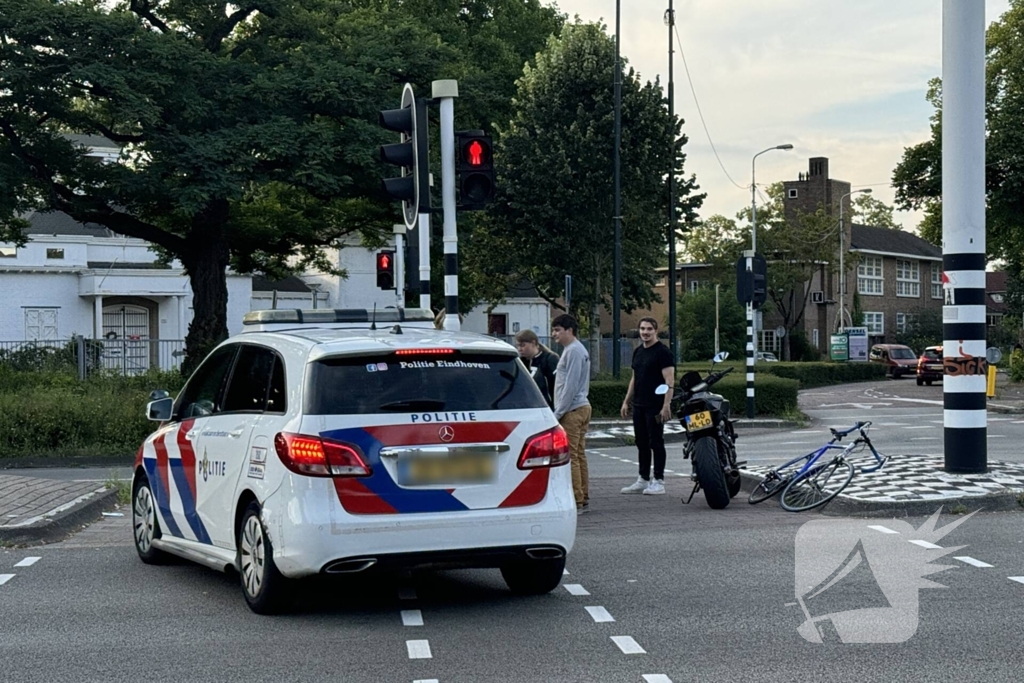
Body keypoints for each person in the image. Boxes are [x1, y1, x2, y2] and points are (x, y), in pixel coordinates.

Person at [619, 317, 675, 495]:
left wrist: (666, 404)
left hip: (656, 406)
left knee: (656, 442)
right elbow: (635, 378)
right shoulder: (638, 352)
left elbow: (669, 380)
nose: (645, 332)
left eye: (649, 329)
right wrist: (626, 401)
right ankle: (643, 479)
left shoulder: (663, 352)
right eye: (642, 329)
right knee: (641, 442)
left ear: (655, 331)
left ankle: (659, 481)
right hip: (639, 405)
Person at [551, 314, 592, 513]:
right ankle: (583, 495)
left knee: (572, 456)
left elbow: (570, 386)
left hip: (572, 409)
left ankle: (577, 500)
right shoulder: (575, 350)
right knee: (579, 454)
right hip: (581, 406)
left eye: (558, 330)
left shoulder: (573, 351)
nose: (554, 335)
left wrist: (558, 413)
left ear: (569, 330)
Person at [515, 329, 559, 410]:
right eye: (518, 346)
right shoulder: (521, 362)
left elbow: (557, 385)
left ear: (533, 343)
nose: (520, 349)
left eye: (523, 345)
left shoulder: (549, 359)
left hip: (548, 408)